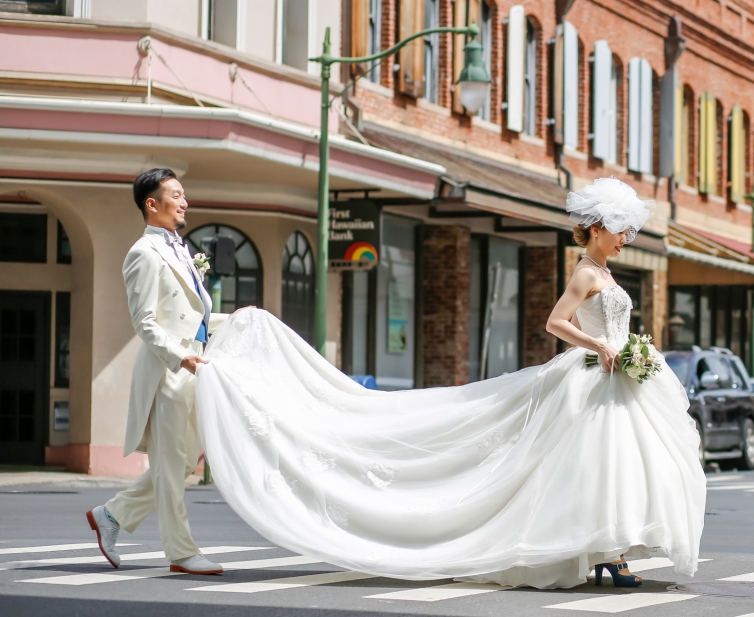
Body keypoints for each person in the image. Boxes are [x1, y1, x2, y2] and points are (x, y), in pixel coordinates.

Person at [194, 177, 706, 589]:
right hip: (591, 377)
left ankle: (610, 550)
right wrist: (600, 347)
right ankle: (600, 553)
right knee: (585, 468)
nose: (625, 239)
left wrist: (628, 347)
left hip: (618, 382)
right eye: (620, 230)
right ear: (596, 230)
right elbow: (555, 322)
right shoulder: (585, 273)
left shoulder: (610, 275)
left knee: (616, 467)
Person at [86, 168, 229, 575]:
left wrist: (234, 320)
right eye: (176, 195)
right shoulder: (143, 253)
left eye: (185, 195)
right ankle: (181, 553)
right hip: (169, 373)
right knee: (169, 469)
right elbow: (145, 322)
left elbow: (193, 318)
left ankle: (110, 516)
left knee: (182, 465)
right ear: (152, 203)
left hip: (193, 370)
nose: (185, 202)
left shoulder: (182, 250)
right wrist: (179, 358)